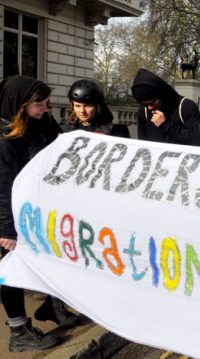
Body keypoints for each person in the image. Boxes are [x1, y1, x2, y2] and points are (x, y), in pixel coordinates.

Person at [0, 76, 78, 352]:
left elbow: (61, 147)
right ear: (21, 105)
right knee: (13, 271)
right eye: (39, 103)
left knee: (51, 257)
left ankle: (51, 306)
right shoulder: (6, 138)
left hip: (37, 210)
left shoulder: (42, 123)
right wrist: (6, 231)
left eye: (46, 102)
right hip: (11, 214)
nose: (46, 107)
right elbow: (3, 187)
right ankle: (19, 331)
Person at [131, 68, 200, 145]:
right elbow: (143, 143)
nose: (149, 108)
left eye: (152, 103)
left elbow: (195, 140)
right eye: (144, 104)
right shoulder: (143, 111)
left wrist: (165, 125)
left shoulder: (186, 107)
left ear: (161, 95)